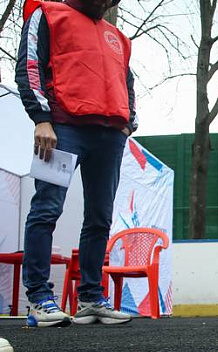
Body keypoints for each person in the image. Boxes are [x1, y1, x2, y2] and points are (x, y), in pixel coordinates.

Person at [15, 0, 136, 327]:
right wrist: (41, 119)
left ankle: (91, 298)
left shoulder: (118, 37)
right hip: (62, 129)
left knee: (100, 218)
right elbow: (29, 65)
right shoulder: (48, 14)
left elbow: (127, 83)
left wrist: (128, 125)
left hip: (110, 134)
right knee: (46, 208)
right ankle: (39, 298)